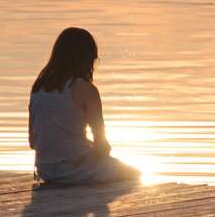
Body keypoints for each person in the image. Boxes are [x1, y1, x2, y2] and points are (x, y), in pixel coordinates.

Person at [28, 28, 140, 185]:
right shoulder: (86, 90)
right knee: (134, 174)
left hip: (45, 170)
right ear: (85, 59)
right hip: (78, 170)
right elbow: (102, 146)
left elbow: (33, 142)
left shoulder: (38, 88)